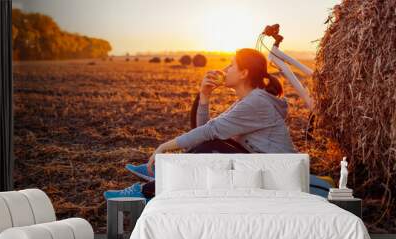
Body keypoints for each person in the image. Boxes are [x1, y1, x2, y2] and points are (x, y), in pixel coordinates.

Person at [104, 48, 296, 200]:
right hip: (260, 165)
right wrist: (204, 96)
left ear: (243, 73)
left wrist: (163, 147)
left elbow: (209, 132)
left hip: (277, 172)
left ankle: (146, 190)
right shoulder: (246, 101)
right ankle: (160, 174)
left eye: (231, 66)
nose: (226, 70)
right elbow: (202, 133)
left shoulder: (256, 102)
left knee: (212, 147)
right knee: (210, 146)